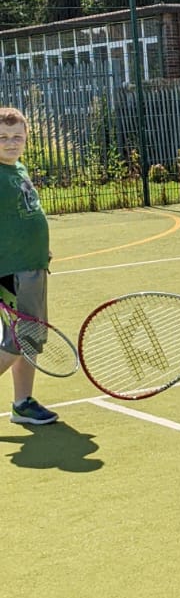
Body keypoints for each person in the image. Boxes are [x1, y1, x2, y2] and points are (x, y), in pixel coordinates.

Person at [0, 107, 59, 426]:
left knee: (28, 337)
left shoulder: (16, 168)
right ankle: (23, 402)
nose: (11, 143)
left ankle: (22, 402)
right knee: (22, 337)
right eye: (3, 138)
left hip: (32, 267)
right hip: (12, 271)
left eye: (17, 137)